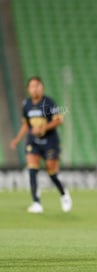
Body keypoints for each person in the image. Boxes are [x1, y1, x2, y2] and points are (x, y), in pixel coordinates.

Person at [10, 76, 72, 213]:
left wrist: (43, 128)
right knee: (32, 170)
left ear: (42, 87)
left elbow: (59, 120)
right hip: (33, 142)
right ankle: (36, 203)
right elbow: (26, 124)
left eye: (37, 85)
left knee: (51, 172)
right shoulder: (26, 104)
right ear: (28, 89)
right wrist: (17, 139)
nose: (35, 88)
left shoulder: (48, 102)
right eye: (32, 86)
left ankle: (64, 194)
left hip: (50, 141)